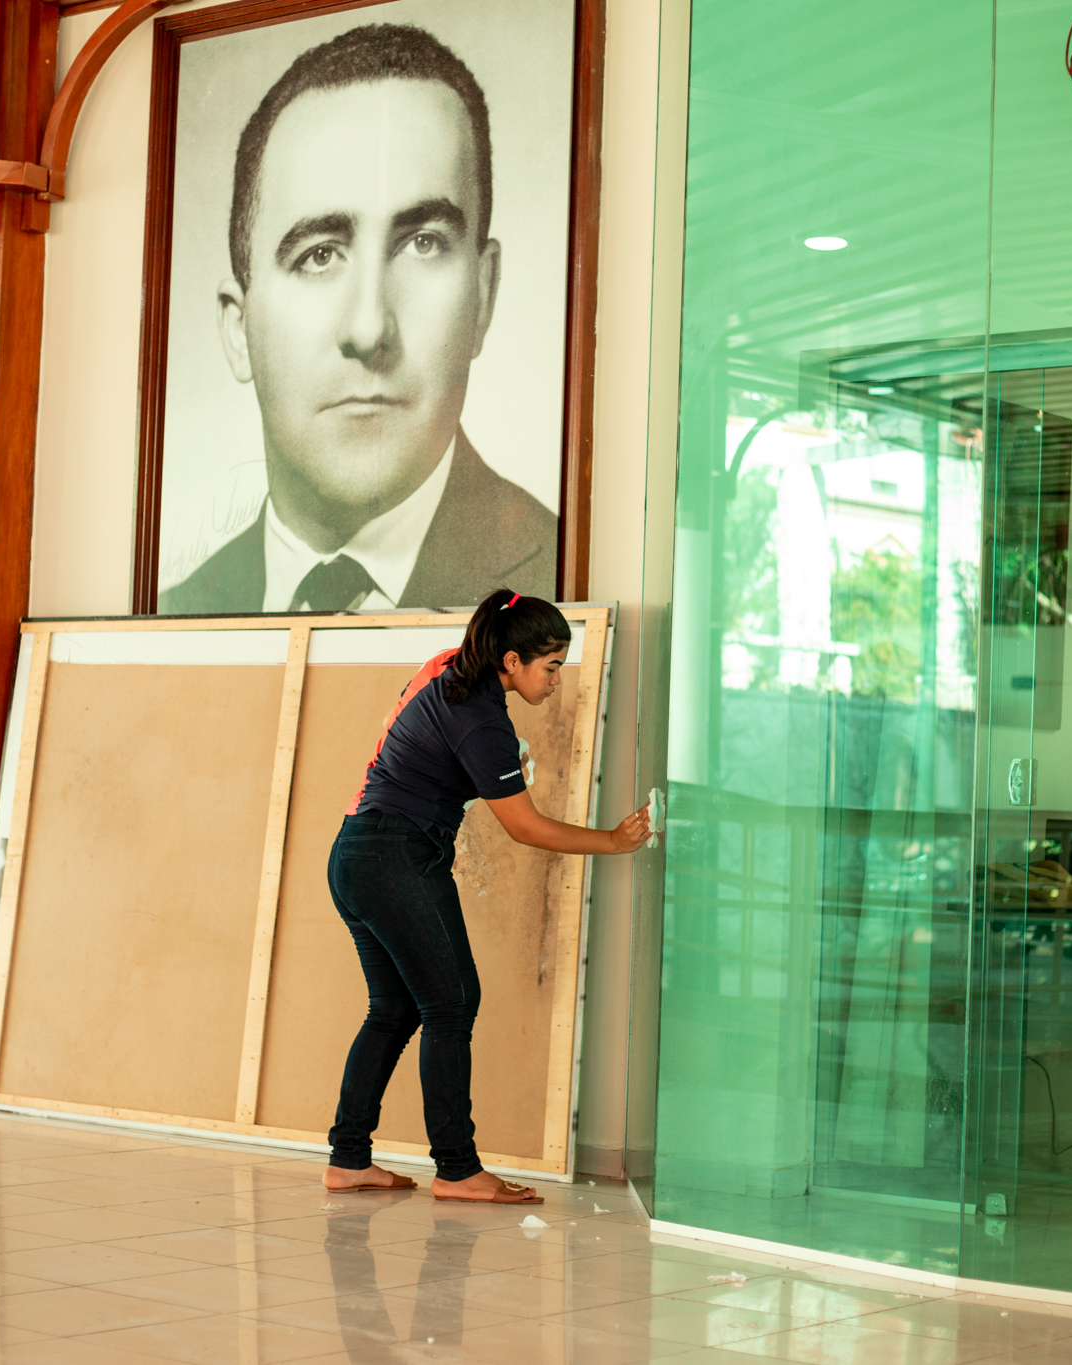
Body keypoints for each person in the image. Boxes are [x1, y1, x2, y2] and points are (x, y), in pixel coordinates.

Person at [159, 24, 557, 616]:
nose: (370, 329)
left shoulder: (563, 583)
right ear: (239, 330)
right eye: (318, 255)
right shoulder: (177, 615)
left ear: (484, 292)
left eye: (423, 243)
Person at [322, 589, 650, 1203]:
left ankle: (349, 1159)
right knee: (452, 1002)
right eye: (550, 666)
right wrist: (612, 840)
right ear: (510, 661)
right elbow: (524, 827)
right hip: (395, 855)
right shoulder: (480, 716)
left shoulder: (449, 666)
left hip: (355, 853)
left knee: (394, 1010)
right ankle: (457, 1169)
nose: (557, 680)